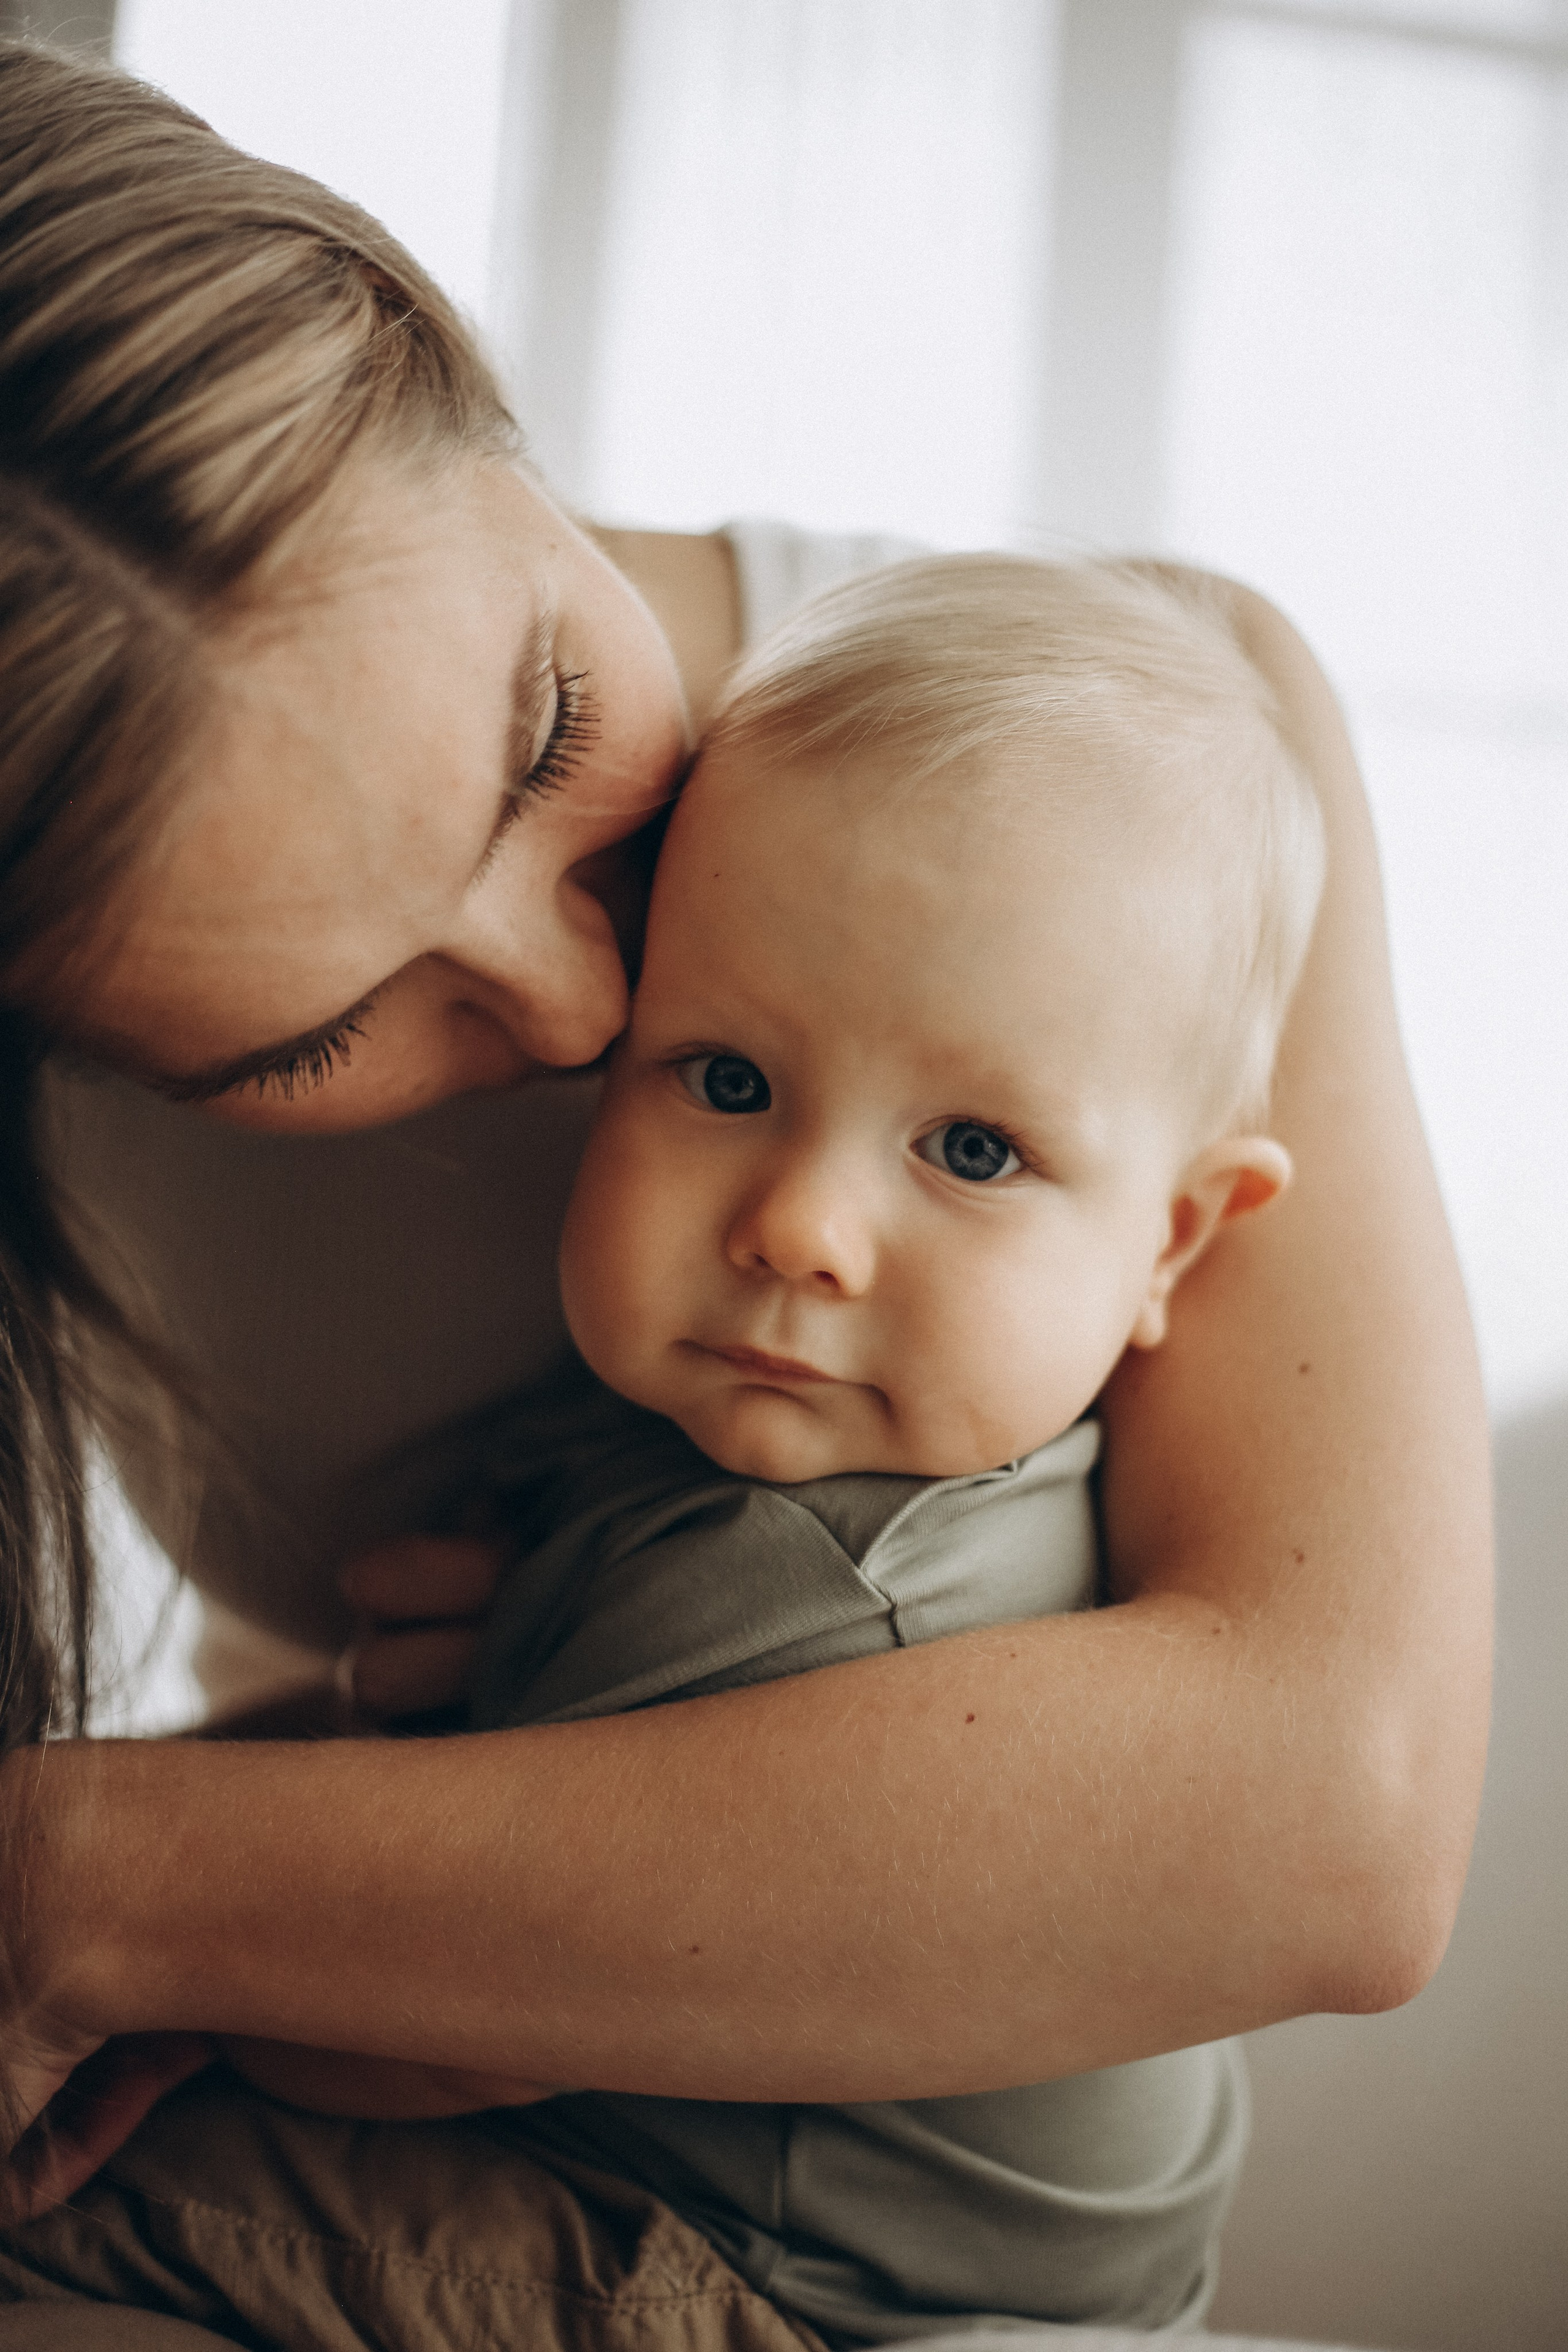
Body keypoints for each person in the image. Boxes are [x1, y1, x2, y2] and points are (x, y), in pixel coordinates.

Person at [0, 37, 1490, 2352]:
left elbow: (1334, 1833)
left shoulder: (1157, 765)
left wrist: (90, 1874)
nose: (583, 1002)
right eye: (315, 1031)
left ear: (462, 359)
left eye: (548, 732)